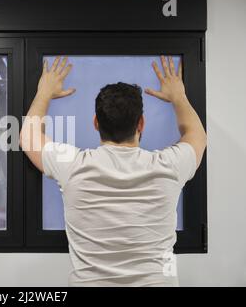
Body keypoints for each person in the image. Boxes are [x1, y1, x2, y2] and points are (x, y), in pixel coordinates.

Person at [19, 56, 207, 286]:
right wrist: (178, 97)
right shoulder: (169, 165)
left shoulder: (74, 165)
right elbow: (197, 136)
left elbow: (29, 138)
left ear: (96, 122)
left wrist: (44, 93)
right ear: (141, 124)